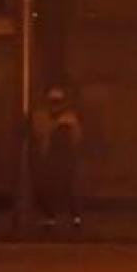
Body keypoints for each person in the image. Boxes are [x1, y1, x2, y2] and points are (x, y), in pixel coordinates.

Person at [32, 85, 84, 229]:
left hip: (67, 157)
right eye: (53, 101)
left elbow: (77, 137)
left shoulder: (70, 117)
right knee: (46, 187)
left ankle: (75, 217)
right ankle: (50, 216)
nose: (56, 105)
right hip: (49, 156)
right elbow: (39, 133)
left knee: (69, 187)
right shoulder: (41, 115)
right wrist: (56, 124)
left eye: (58, 101)